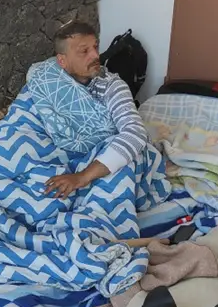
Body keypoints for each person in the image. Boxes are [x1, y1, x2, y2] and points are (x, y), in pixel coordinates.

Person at [29, 21, 150, 198]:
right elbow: (24, 120)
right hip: (56, 158)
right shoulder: (46, 79)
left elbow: (135, 134)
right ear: (62, 60)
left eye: (95, 47)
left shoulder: (113, 86)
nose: (95, 55)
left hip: (94, 163)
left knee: (126, 164)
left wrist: (82, 177)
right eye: (84, 51)